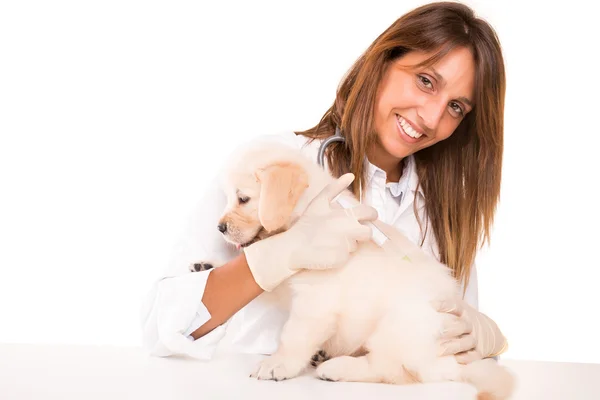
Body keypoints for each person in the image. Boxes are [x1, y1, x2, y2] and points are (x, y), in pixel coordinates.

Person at [140, 1, 508, 364]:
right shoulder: (272, 162)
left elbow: (450, 346)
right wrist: (273, 258)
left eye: (456, 107)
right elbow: (164, 327)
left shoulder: (443, 212)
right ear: (383, 63)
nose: (431, 117)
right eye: (425, 81)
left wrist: (479, 337)